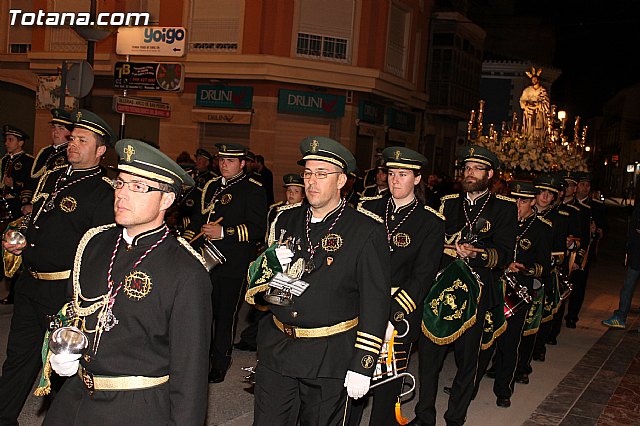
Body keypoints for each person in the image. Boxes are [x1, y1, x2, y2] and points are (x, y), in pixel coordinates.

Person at [43, 139, 212, 425]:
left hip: (135, 407)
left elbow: (190, 374)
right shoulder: (94, 243)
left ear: (167, 200)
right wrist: (60, 349)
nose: (122, 195)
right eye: (120, 183)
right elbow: (72, 311)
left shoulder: (186, 271)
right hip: (75, 398)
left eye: (138, 187)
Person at [245, 136, 390, 425]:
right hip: (280, 348)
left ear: (341, 181)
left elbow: (375, 302)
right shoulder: (286, 219)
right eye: (308, 173)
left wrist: (364, 363)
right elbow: (274, 274)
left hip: (329, 354)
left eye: (322, 174)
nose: (311, 181)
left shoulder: (366, 230)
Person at [0, 109, 116, 426]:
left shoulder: (105, 189)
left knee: (65, 366)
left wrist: (84, 298)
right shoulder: (53, 176)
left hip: (64, 291)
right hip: (31, 283)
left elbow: (100, 249)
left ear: (101, 149)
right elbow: (34, 218)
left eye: (81, 139)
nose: (71, 143)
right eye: (72, 138)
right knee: (18, 359)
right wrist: (21, 237)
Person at [409, 145, 517, 426]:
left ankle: (455, 417)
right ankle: (424, 415)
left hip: (478, 291)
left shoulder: (504, 208)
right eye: (467, 168)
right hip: (442, 287)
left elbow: (505, 255)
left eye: (476, 169)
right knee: (430, 356)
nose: (469, 173)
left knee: (468, 360)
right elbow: (432, 242)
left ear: (490, 174)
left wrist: (477, 254)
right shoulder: (447, 201)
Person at [350, 147, 444, 425]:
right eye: (391, 173)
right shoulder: (368, 208)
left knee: (386, 387)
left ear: (417, 179)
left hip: (398, 313)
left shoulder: (430, 221)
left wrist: (393, 312)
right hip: (360, 305)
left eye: (403, 174)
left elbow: (423, 276)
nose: (394, 180)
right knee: (353, 377)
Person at [183, 143, 267, 383]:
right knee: (201, 313)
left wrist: (225, 232)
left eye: (230, 161)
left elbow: (258, 229)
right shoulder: (210, 186)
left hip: (232, 263)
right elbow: (199, 218)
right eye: (221, 160)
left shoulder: (253, 189)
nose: (224, 164)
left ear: (242, 163)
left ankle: (220, 363)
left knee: (224, 316)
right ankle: (199, 358)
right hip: (204, 261)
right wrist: (186, 242)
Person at [477, 181, 551, 407]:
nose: (518, 204)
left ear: (532, 202)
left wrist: (525, 268)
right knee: (482, 339)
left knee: (510, 343)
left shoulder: (542, 228)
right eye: (515, 199)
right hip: (494, 287)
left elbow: (544, 267)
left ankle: (503, 390)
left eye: (524, 200)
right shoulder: (501, 220)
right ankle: (467, 386)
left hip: (519, 292)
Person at [234, 172, 306, 352]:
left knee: (279, 306)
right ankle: (254, 339)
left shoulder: (304, 213)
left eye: (296, 191)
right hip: (274, 258)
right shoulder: (276, 209)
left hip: (292, 264)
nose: (291, 195)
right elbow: (269, 235)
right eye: (289, 190)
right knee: (265, 302)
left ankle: (255, 339)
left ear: (302, 195)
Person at [0, 125, 36, 305]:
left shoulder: (29, 161)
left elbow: (31, 185)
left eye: (11, 140)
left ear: (20, 143)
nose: (7, 143)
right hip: (4, 207)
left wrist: (13, 185)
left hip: (17, 208)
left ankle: (14, 292)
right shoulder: (4, 161)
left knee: (15, 250)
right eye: (6, 139)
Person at [602, 201, 640, 329]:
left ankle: (621, 316)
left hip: (637, 254)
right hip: (636, 253)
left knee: (628, 287)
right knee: (628, 287)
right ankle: (620, 317)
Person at [30, 109, 73, 180]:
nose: (55, 132)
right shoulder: (45, 151)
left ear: (70, 133)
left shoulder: (71, 152)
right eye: (53, 127)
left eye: (61, 128)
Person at [519, 66, 549, 140]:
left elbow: (546, 102)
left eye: (535, 79)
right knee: (529, 129)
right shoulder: (527, 90)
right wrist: (526, 105)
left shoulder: (542, 90)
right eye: (533, 79)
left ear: (538, 80)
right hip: (529, 112)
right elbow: (522, 100)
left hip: (539, 113)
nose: (534, 80)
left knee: (538, 129)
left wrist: (538, 106)